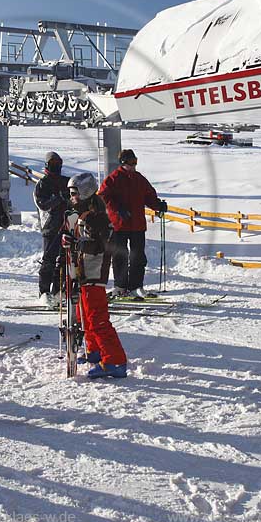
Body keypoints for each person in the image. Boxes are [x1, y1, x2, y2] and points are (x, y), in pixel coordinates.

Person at [63, 172, 128, 379]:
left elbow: (101, 245)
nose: (72, 198)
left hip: (94, 272)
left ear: (85, 193)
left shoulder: (97, 217)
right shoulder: (83, 215)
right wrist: (70, 241)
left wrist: (78, 243)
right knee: (85, 316)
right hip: (83, 271)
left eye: (74, 194)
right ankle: (95, 351)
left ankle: (115, 360)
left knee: (97, 317)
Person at [97, 149, 168, 298]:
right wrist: (117, 209)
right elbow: (103, 195)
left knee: (138, 257)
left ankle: (136, 286)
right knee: (120, 256)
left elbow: (149, 196)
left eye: (135, 162)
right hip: (119, 225)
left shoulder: (139, 178)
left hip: (137, 225)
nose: (133, 165)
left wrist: (158, 205)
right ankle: (120, 286)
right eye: (130, 162)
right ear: (123, 162)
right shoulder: (114, 178)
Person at [33, 151, 69, 307]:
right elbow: (43, 204)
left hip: (68, 225)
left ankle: (58, 291)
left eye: (58, 163)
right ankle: (44, 292)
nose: (56, 166)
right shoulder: (42, 184)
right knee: (48, 260)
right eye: (53, 163)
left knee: (64, 260)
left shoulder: (66, 181)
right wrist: (59, 198)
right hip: (50, 227)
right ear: (47, 165)